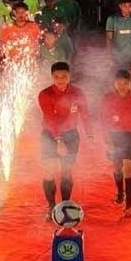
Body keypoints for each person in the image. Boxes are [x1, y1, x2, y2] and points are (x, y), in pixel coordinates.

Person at [38, 62, 93, 219]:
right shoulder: (45, 94)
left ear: (69, 76)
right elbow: (50, 119)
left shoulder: (77, 93)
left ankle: (64, 206)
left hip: (70, 135)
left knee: (66, 171)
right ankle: (51, 206)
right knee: (48, 171)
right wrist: (58, 140)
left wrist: (90, 134)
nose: (60, 80)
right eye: (57, 77)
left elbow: (85, 114)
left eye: (64, 77)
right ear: (52, 77)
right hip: (50, 135)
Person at [100, 70, 131, 218]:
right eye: (119, 83)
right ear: (114, 83)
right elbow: (104, 121)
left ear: (129, 83)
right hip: (115, 137)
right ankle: (120, 192)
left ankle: (129, 206)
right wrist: (108, 142)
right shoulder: (108, 99)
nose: (122, 86)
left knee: (129, 170)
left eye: (125, 83)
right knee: (117, 167)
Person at [106, 0, 131, 73]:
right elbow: (109, 39)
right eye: (125, 6)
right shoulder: (112, 19)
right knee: (119, 77)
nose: (127, 8)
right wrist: (109, 55)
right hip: (118, 57)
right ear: (120, 6)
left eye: (130, 6)